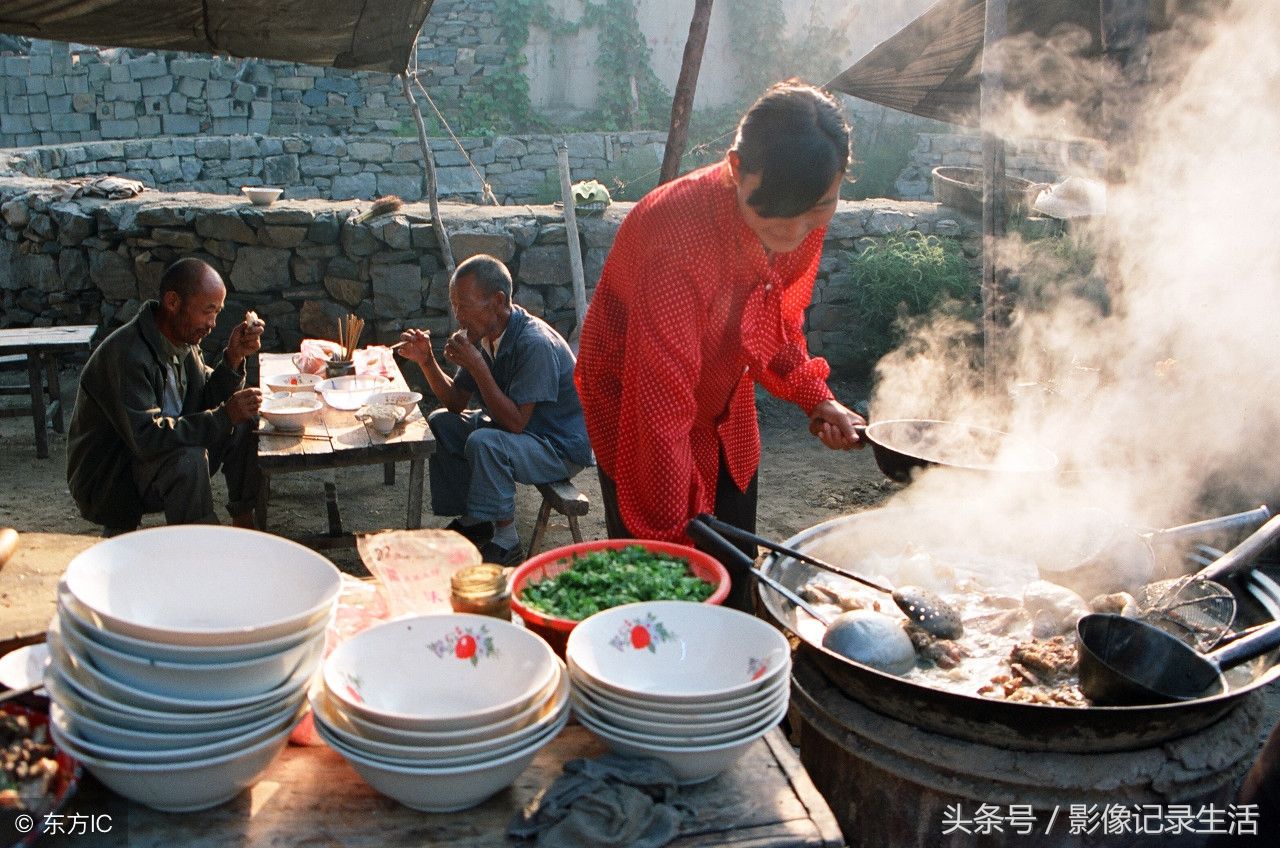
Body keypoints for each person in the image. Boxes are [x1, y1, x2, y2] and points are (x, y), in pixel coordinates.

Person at [575, 80, 866, 611]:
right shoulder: (677, 239)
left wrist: (815, 395)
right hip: (637, 408)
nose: (797, 234)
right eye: (778, 217)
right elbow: (660, 406)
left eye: (820, 210)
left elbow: (774, 320)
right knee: (669, 588)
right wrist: (678, 541)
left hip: (724, 402)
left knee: (734, 572)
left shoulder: (799, 200)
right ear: (737, 169)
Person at [398, 254, 593, 565]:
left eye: (464, 305)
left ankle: (507, 541)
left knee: (484, 443)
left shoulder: (533, 343)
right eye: (455, 305)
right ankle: (475, 520)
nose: (458, 316)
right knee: (442, 423)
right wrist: (427, 361)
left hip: (558, 446)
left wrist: (477, 365)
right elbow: (455, 402)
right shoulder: (485, 336)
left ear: (498, 301)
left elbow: (516, 423)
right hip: (525, 432)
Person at [67, 258, 264, 535]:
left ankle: (244, 522)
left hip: (156, 457)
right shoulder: (128, 354)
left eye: (217, 313)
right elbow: (147, 438)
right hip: (111, 478)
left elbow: (203, 399)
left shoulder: (182, 339)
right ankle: (199, 552)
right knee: (189, 459)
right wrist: (224, 415)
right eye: (208, 311)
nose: (212, 324)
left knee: (245, 420)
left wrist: (233, 359)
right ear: (173, 302)